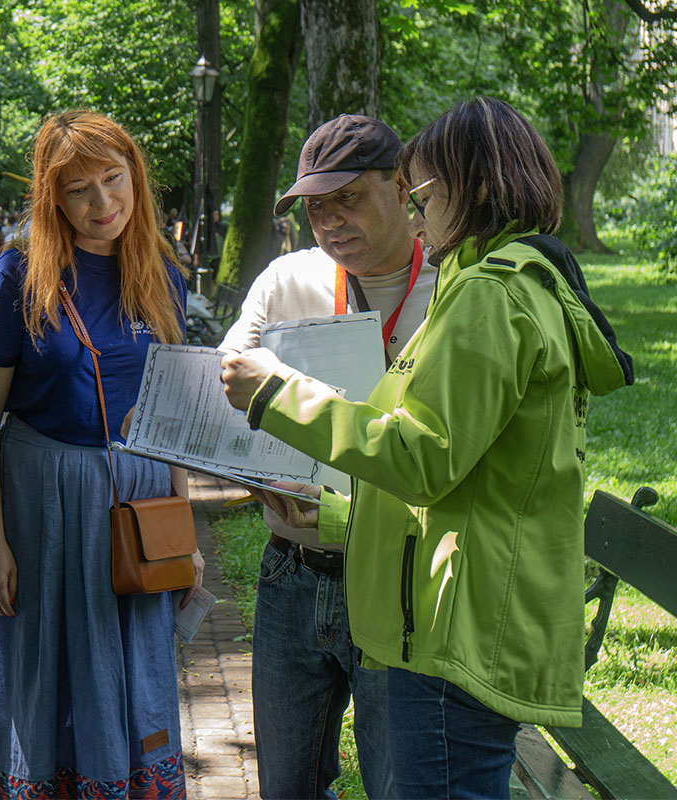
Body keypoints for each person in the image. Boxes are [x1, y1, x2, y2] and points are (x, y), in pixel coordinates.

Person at [221, 97, 633, 799]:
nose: (420, 211)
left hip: (452, 636)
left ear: (463, 188)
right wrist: (323, 520)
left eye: (423, 193)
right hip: (451, 616)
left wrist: (273, 395)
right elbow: (467, 490)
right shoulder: (496, 288)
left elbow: (421, 459)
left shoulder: (486, 297)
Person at [0, 110, 204, 799]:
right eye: (79, 190)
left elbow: (170, 410)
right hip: (43, 502)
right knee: (43, 672)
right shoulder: (18, 276)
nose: (102, 205)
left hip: (138, 500)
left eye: (113, 180)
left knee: (134, 672)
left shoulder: (159, 274)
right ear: (52, 198)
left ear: (135, 177)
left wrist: (181, 522)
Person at [219, 113, 434, 800]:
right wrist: (250, 473)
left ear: (401, 189)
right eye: (317, 208)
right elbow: (228, 376)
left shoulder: (452, 290)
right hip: (291, 571)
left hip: (397, 581)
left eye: (349, 198)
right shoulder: (288, 281)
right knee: (286, 784)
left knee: (395, 782)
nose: (332, 221)